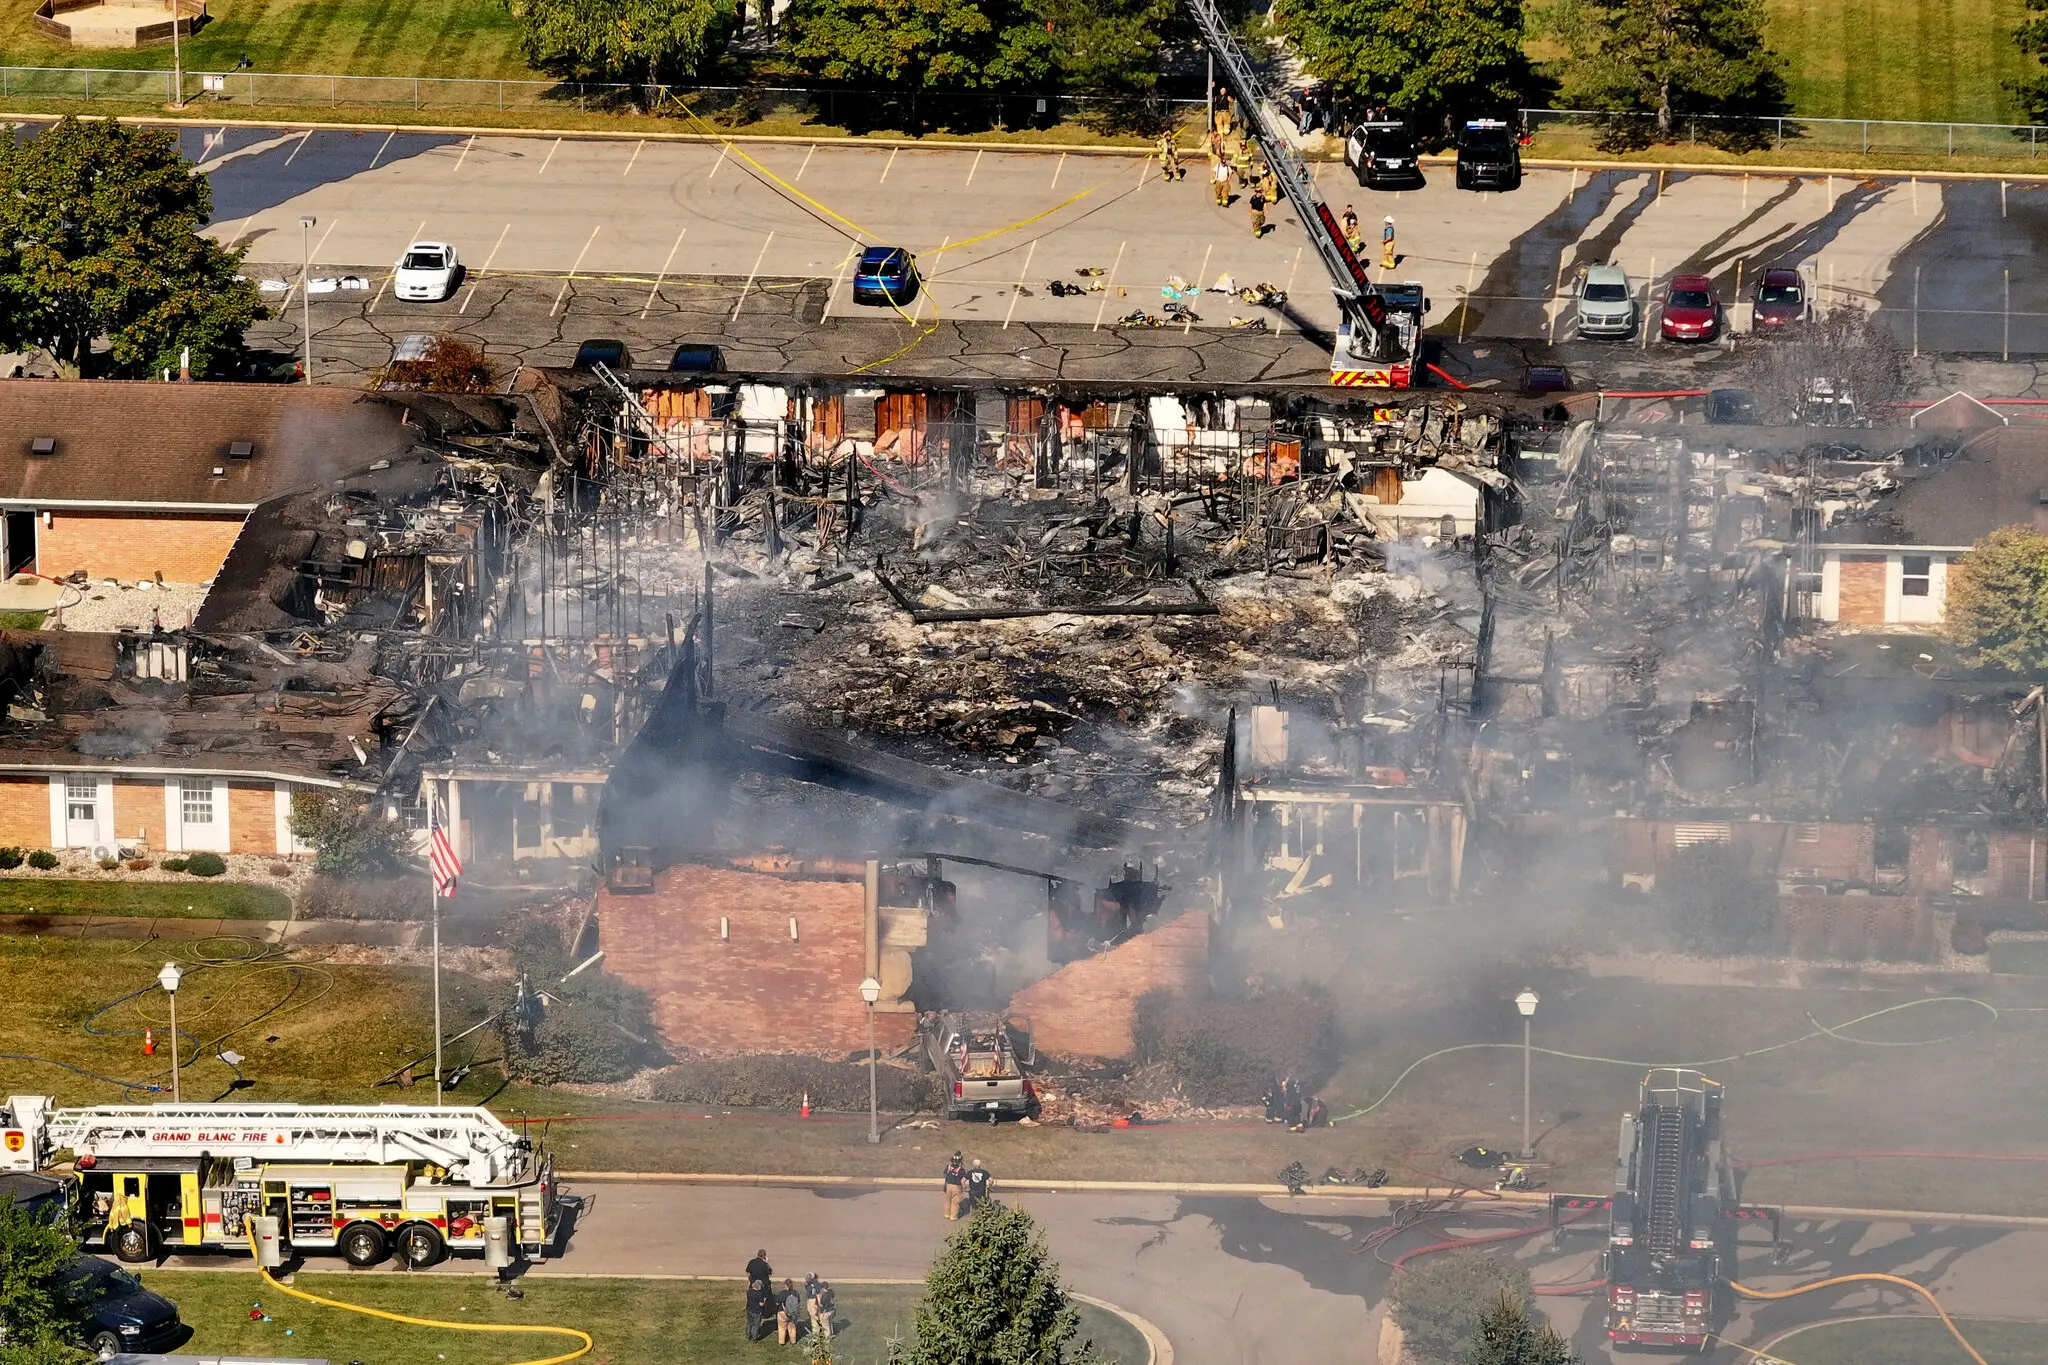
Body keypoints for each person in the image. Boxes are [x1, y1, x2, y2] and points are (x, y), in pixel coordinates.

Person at [746, 1278, 773, 1343]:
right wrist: (764, 1299)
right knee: (756, 1324)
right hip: (757, 1311)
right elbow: (761, 1304)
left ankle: (748, 1335)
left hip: (749, 1309)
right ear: (759, 1286)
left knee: (749, 1323)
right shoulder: (759, 1294)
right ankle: (754, 1338)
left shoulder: (749, 1291)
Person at [778, 1278, 803, 1344]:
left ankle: (781, 1342)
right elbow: (798, 1301)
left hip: (783, 1312)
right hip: (793, 1313)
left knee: (782, 1327)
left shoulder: (782, 1293)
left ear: (785, 1285)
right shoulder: (796, 1293)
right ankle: (793, 1341)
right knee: (792, 1327)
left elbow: (778, 1302)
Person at [942, 1151, 966, 1220]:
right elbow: (963, 1179)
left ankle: (946, 1214)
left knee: (947, 1200)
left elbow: (946, 1175)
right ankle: (953, 1216)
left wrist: (945, 1185)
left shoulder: (948, 1166)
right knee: (955, 1201)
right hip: (956, 1186)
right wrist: (964, 1187)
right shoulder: (961, 1169)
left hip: (948, 1184)